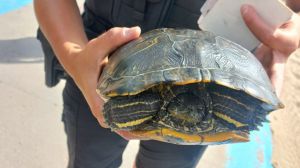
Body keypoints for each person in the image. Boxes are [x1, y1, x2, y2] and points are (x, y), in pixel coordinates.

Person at [34, 0, 300, 167]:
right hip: (103, 63)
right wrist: (73, 54)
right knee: (90, 159)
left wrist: (287, 28)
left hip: (216, 75)